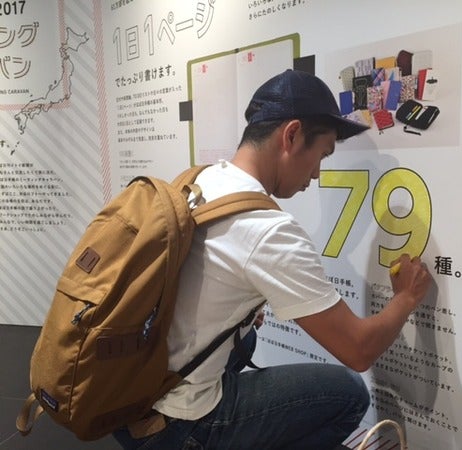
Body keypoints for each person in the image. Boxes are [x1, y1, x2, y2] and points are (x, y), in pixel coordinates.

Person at [113, 69, 431, 450]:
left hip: (132, 398)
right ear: (291, 135)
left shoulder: (200, 181)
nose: (317, 174)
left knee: (246, 340)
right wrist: (405, 298)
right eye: (321, 155)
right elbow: (358, 350)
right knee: (349, 394)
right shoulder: (266, 228)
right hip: (178, 426)